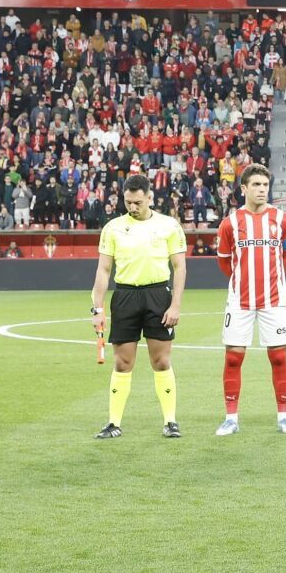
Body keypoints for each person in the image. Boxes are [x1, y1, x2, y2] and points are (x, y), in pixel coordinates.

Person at [89, 176, 188, 439]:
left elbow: (179, 267)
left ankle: (170, 421)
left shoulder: (169, 225)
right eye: (128, 202)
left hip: (158, 295)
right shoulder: (113, 228)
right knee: (122, 363)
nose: (132, 207)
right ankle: (113, 423)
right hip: (125, 296)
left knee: (161, 360)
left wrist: (175, 305)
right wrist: (96, 308)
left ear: (149, 197)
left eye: (137, 202)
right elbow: (103, 270)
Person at [213, 165, 286, 435]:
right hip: (240, 300)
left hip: (274, 300)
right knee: (234, 358)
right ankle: (231, 419)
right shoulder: (230, 223)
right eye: (257, 185)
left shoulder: (282, 220)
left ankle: (284, 417)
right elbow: (225, 262)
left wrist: (274, 278)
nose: (262, 189)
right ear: (244, 189)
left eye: (265, 185)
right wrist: (244, 280)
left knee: (279, 357)